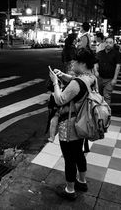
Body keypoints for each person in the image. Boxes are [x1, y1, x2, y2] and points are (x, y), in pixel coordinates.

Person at [49, 48, 96, 200]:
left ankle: (70, 190)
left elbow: (60, 99)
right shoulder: (92, 78)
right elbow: (79, 85)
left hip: (70, 126)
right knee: (79, 154)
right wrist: (63, 76)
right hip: (83, 123)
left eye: (75, 61)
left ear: (82, 63)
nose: (72, 63)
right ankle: (82, 181)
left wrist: (56, 82)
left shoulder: (77, 82)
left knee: (69, 158)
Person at [94, 36, 121, 105]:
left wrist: (115, 79)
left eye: (110, 43)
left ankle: (106, 114)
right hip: (99, 78)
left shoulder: (117, 54)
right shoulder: (100, 53)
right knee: (98, 96)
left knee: (107, 96)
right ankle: (99, 112)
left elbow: (118, 66)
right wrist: (96, 71)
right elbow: (95, 63)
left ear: (113, 44)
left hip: (110, 79)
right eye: (106, 42)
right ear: (104, 43)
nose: (108, 44)